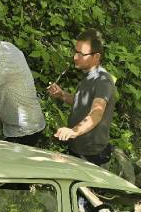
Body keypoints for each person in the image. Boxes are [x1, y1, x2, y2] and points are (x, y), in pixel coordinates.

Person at [47, 29, 115, 166]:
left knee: (84, 187)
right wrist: (62, 95)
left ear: (96, 57)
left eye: (81, 54)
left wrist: (73, 132)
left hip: (91, 154)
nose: (75, 57)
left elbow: (96, 113)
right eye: (75, 51)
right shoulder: (88, 76)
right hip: (77, 146)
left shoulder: (103, 81)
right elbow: (83, 102)